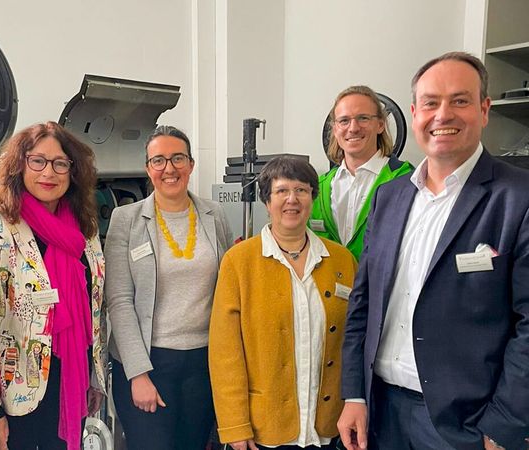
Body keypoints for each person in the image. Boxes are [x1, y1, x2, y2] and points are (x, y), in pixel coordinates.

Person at [338, 52, 529, 450]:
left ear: (484, 109)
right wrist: (354, 393)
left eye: (460, 100)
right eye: (431, 103)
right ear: (414, 111)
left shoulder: (516, 198)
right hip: (381, 411)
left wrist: (504, 423)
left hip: (465, 424)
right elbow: (364, 302)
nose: (443, 114)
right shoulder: (389, 197)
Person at [209, 156, 358, 450]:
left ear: (313, 198)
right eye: (282, 191)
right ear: (267, 201)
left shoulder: (341, 260)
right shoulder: (239, 262)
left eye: (302, 190)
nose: (293, 199)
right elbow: (225, 352)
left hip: (329, 426)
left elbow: (355, 339)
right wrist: (234, 424)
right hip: (265, 429)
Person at [0, 122, 107, 450]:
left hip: (72, 385)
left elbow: (95, 309)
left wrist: (95, 378)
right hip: (15, 397)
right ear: (19, 165)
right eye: (38, 160)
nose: (49, 172)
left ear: (73, 171)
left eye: (60, 163)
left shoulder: (85, 231)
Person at [105, 125, 233, 449]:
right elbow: (119, 301)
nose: (169, 168)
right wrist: (138, 374)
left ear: (191, 164)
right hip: (147, 362)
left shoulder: (214, 214)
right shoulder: (126, 219)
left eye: (177, 158)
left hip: (202, 364)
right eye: (159, 160)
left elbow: (229, 285)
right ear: (148, 169)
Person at [309, 86, 412, 260]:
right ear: (335, 129)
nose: (353, 128)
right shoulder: (318, 188)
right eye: (344, 121)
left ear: (380, 124)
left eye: (363, 118)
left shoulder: (406, 180)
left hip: (383, 287)